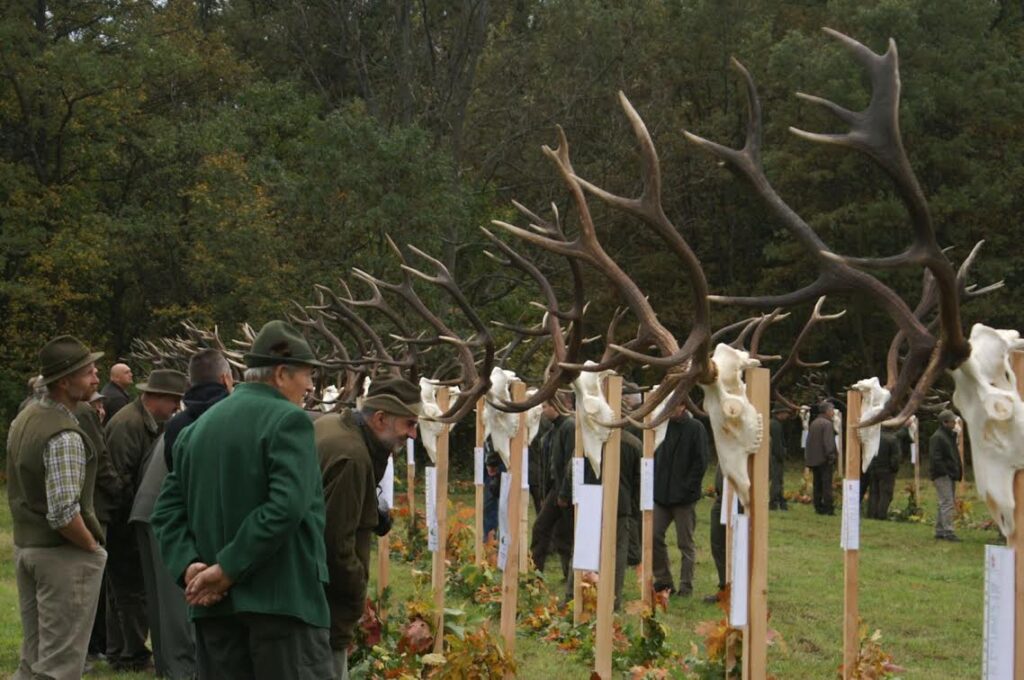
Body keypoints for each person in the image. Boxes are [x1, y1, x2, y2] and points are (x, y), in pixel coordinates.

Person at [151, 320, 333, 680]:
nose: (311, 386)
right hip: (282, 609)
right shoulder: (289, 421)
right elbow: (286, 507)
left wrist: (190, 567)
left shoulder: (194, 430)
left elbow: (166, 511)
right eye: (307, 376)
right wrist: (227, 570)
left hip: (215, 612)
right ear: (281, 374)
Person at [7, 335, 107, 679]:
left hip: (27, 548)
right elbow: (64, 513)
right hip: (61, 556)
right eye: (89, 372)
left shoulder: (25, 417)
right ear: (64, 382)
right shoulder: (64, 434)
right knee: (59, 667)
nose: (96, 378)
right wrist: (92, 548)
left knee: (32, 661)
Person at [132, 349, 234, 679]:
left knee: (164, 608)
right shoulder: (219, 416)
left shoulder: (182, 418)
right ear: (226, 379)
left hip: (148, 509)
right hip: (167, 513)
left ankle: (168, 669)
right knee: (180, 605)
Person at [315, 377, 421, 679]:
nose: (413, 435)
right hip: (325, 607)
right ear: (380, 419)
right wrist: (355, 596)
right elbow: (335, 544)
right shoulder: (353, 457)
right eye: (409, 424)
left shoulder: (335, 426)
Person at [104, 368, 187, 672]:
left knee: (124, 592)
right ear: (156, 398)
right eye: (174, 401)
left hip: (126, 516)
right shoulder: (128, 424)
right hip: (121, 520)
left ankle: (121, 652)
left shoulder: (143, 421)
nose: (177, 408)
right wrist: (133, 519)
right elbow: (116, 479)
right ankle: (132, 655)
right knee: (130, 592)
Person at [651, 404, 709, 597]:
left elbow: (701, 462)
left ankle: (686, 585)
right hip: (661, 495)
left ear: (682, 406)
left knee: (685, 542)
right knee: (653, 535)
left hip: (684, 498)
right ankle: (664, 580)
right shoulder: (662, 426)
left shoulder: (695, 428)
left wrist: (687, 489)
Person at [529, 399, 575, 578]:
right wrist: (545, 493)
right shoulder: (552, 431)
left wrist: (564, 493)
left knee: (563, 532)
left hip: (565, 489)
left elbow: (569, 463)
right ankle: (536, 572)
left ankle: (568, 573)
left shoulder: (568, 427)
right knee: (546, 529)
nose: (542, 410)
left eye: (545, 406)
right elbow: (548, 465)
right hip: (555, 489)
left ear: (555, 406)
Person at [929, 410, 962, 541]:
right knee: (947, 503)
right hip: (942, 475)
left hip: (948, 474)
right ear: (945, 422)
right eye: (952, 421)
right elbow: (936, 458)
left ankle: (940, 530)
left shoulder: (949, 435)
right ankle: (948, 532)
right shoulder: (938, 437)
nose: (955, 423)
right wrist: (946, 472)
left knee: (944, 502)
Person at [805, 401, 838, 515]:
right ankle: (828, 508)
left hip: (814, 459)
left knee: (817, 484)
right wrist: (831, 456)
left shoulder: (814, 423)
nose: (833, 412)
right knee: (826, 485)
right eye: (832, 410)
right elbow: (828, 442)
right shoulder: (827, 424)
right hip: (824, 459)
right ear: (827, 411)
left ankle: (818, 506)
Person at [865, 427, 900, 520]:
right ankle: (881, 515)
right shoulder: (892, 439)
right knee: (886, 493)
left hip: (873, 468)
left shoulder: (873, 438)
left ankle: (871, 514)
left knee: (874, 492)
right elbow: (895, 457)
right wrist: (894, 469)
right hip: (887, 470)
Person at [704, 467, 727, 604]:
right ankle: (725, 586)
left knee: (739, 545)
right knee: (717, 543)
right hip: (721, 498)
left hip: (739, 497)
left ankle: (740, 589)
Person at [769, 406, 790, 511]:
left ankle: (780, 502)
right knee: (777, 480)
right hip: (775, 458)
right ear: (779, 413)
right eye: (785, 413)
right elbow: (777, 444)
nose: (787, 416)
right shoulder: (776, 425)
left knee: (777, 480)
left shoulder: (772, 423)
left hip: (772, 456)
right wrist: (781, 456)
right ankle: (774, 502)